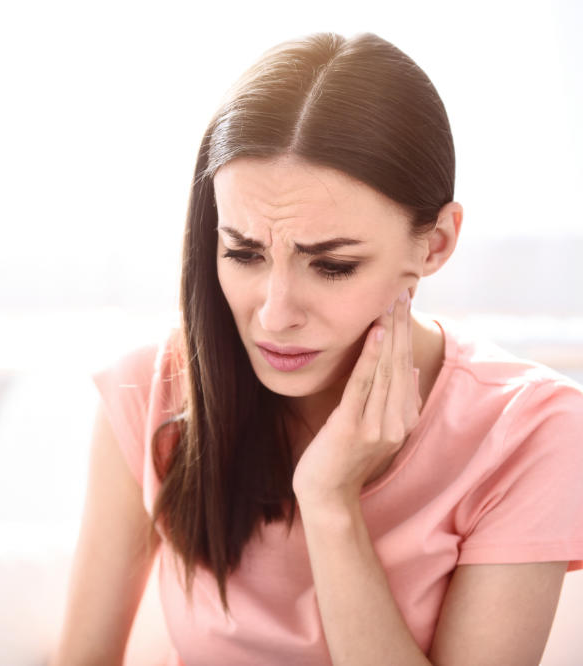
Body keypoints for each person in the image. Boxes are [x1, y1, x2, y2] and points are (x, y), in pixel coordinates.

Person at [51, 32, 583, 665]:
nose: (274, 316)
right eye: (243, 253)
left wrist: (331, 505)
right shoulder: (151, 385)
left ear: (435, 244)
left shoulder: (530, 431)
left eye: (331, 265)